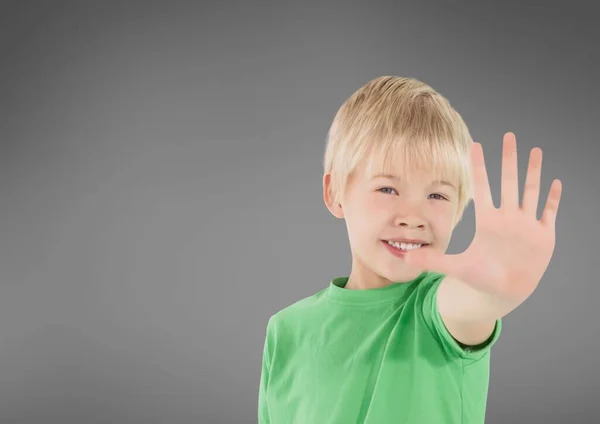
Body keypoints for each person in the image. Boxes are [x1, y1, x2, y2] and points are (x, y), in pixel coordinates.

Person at [257, 76, 562, 423]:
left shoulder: (437, 311)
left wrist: (493, 289)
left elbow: (470, 305)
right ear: (335, 192)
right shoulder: (286, 331)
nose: (413, 217)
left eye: (437, 195)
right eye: (388, 189)